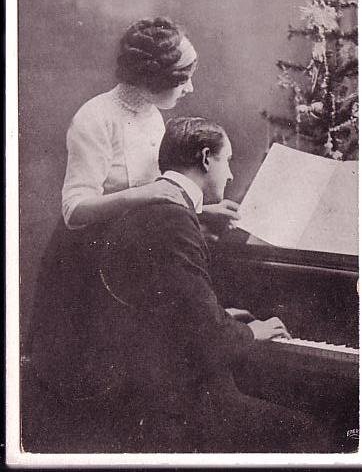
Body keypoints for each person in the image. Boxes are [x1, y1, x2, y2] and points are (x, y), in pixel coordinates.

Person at [24, 117, 334, 453]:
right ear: (205, 158)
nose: (229, 174)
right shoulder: (174, 219)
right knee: (308, 430)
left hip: (143, 385)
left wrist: (222, 314)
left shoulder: (148, 207)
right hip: (172, 402)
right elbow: (204, 336)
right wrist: (253, 331)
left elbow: (168, 307)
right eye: (225, 160)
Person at [61, 16, 239, 229]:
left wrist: (202, 212)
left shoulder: (153, 115)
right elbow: (74, 211)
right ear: (156, 80)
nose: (189, 88)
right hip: (95, 248)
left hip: (135, 239)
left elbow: (154, 200)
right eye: (183, 80)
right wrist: (146, 193)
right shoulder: (96, 117)